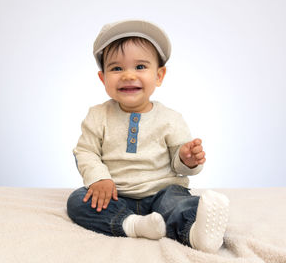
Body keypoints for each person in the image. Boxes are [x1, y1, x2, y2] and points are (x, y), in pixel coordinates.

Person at [67, 19, 229, 253]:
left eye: (140, 67)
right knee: (78, 201)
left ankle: (196, 233)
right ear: (103, 79)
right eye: (116, 68)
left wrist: (186, 159)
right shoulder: (97, 115)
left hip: (162, 191)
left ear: (159, 76)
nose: (128, 75)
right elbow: (86, 151)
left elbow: (180, 165)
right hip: (115, 194)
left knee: (180, 202)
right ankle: (133, 225)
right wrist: (99, 179)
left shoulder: (171, 118)